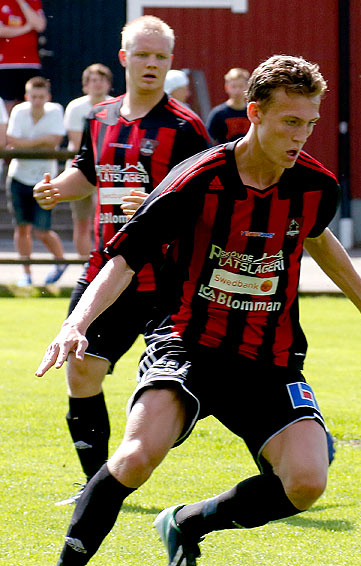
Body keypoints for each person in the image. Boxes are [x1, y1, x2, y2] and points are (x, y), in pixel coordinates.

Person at [20, 54, 361, 566]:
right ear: (254, 113)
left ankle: (189, 523)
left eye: (310, 122)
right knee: (138, 457)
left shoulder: (315, 185)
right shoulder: (198, 179)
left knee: (307, 481)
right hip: (187, 344)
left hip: (269, 359)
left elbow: (318, 238)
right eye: (290, 121)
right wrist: (76, 323)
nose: (301, 135)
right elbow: (124, 258)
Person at [30, 15, 210, 505]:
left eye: (162, 57)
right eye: (144, 55)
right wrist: (57, 190)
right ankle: (96, 485)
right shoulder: (100, 117)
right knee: (81, 369)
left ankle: (286, 442)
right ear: (124, 58)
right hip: (105, 268)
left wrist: (155, 201)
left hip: (166, 277)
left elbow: (209, 199)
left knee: (198, 384)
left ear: (170, 63)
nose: (152, 64)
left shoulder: (185, 128)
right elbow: (85, 171)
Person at [6, 75, 66, 287]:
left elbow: (55, 141)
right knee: (22, 228)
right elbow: (12, 141)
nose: (38, 100)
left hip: (44, 179)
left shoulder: (56, 110)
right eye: (34, 96)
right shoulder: (19, 111)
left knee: (41, 230)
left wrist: (25, 145)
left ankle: (61, 262)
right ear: (26, 96)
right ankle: (26, 274)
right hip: (18, 177)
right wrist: (41, 142)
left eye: (41, 96)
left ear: (47, 97)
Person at [63, 63, 113, 259]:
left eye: (101, 80)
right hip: (81, 172)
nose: (97, 84)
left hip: (109, 171)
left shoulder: (118, 105)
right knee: (82, 222)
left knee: (108, 221)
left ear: (108, 84)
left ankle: (106, 263)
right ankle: (85, 265)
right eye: (93, 80)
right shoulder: (76, 108)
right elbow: (76, 143)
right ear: (85, 85)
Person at [0, 0, 45, 113]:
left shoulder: (33, 2)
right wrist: (27, 28)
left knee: (28, 105)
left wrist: (22, 3)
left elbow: (39, 25)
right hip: (6, 64)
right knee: (6, 105)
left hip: (31, 63)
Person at [206, 67, 251, 144]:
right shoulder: (218, 114)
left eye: (240, 86)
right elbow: (209, 140)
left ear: (247, 87)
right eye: (234, 87)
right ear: (227, 88)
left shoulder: (252, 112)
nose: (237, 91)